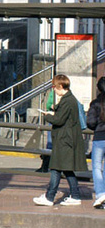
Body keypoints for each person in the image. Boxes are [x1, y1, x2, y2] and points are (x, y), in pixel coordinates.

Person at [33, 74, 87, 206]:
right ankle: (74, 195)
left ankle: (50, 197)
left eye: (55, 87)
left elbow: (59, 120)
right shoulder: (70, 99)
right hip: (67, 139)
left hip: (64, 140)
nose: (54, 90)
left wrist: (47, 116)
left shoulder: (67, 101)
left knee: (56, 168)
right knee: (66, 169)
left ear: (61, 86)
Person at [86, 76, 105, 209]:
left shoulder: (95, 103)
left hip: (99, 137)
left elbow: (90, 122)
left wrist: (97, 127)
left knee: (97, 167)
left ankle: (100, 193)